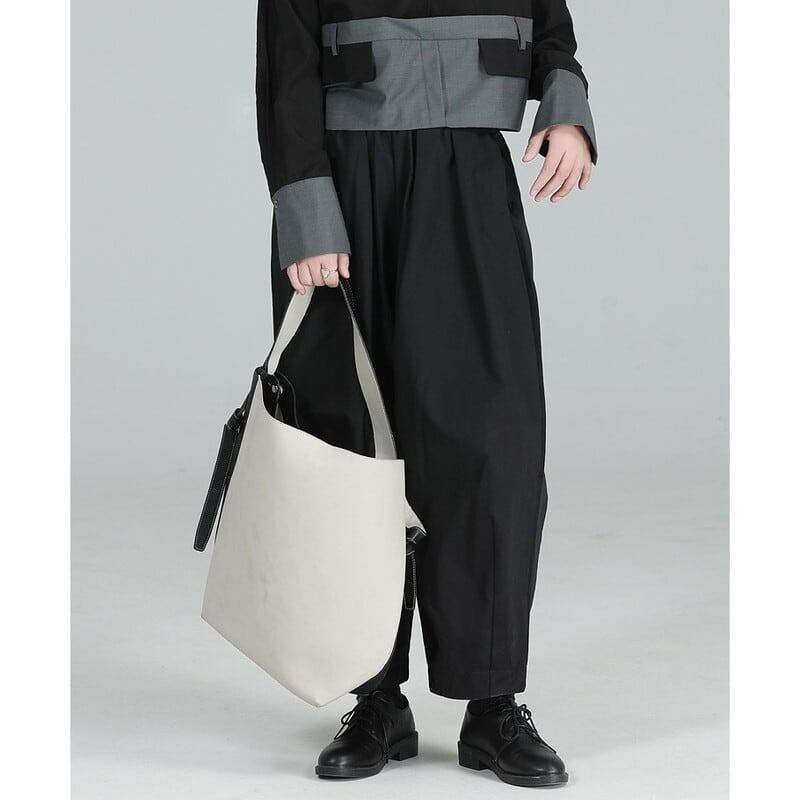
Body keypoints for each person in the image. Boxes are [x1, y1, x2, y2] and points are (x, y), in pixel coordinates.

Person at [256, 0, 596, 787]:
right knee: (347, 446)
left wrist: (567, 112)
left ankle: (493, 701)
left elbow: (551, 32)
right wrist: (306, 211)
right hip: (344, 188)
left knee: (491, 441)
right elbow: (286, 69)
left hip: (468, 179)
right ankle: (374, 697)